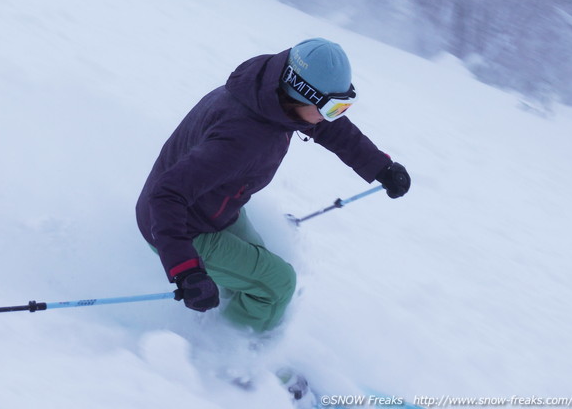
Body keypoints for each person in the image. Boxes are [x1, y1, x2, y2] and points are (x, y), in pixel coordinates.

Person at [135, 38, 410, 333]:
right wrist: (185, 271)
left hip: (212, 209)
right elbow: (166, 195)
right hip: (179, 225)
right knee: (277, 285)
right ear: (301, 93)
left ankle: (225, 322)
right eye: (332, 107)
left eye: (344, 105)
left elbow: (327, 126)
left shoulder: (269, 94)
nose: (335, 116)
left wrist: (380, 167)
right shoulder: (243, 137)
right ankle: (233, 357)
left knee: (257, 275)